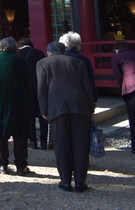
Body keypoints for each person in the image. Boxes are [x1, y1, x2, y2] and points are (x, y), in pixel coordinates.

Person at [37, 41, 95, 192]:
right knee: (80, 144)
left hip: (57, 107)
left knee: (62, 145)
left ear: (48, 52)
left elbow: (42, 89)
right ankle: (81, 182)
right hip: (80, 105)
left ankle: (65, 181)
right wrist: (90, 108)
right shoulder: (77, 61)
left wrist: (44, 110)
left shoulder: (43, 63)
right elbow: (87, 86)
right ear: (63, 50)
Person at [0, 36, 30, 176]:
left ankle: (2, 165)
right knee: (20, 133)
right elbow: (27, 81)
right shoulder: (21, 62)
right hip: (18, 100)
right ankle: (21, 165)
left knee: (0, 132)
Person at [17, 38, 48, 150]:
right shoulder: (39, 53)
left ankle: (33, 141)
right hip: (40, 87)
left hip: (25, 89)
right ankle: (44, 141)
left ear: (19, 46)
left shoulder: (18, 54)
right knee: (43, 116)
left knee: (29, 117)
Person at [59, 32, 98, 105]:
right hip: (80, 96)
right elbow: (90, 81)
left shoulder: (56, 59)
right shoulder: (84, 59)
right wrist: (94, 99)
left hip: (60, 96)